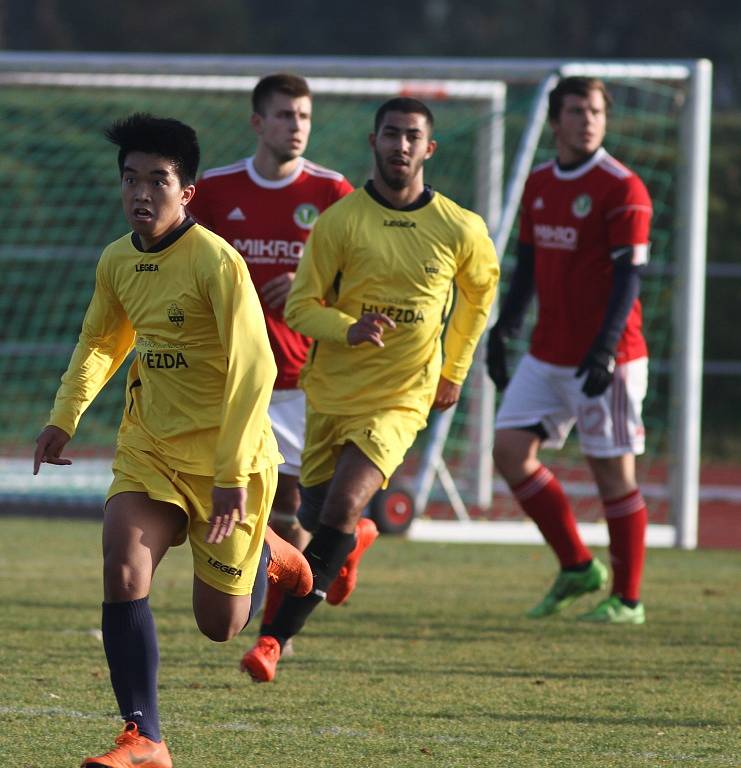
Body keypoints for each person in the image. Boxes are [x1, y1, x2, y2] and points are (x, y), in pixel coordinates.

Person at [33, 113, 312, 768]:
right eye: (131, 179)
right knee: (121, 566)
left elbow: (256, 371)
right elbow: (103, 341)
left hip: (227, 465)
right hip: (150, 452)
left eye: (158, 180)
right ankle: (144, 737)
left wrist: (230, 474)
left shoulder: (216, 264)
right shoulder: (117, 260)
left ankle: (273, 554)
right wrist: (64, 417)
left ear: (187, 191)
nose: (141, 194)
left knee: (221, 626)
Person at [241, 96, 500, 682]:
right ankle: (353, 543)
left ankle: (274, 642)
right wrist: (348, 328)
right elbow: (303, 306)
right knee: (311, 514)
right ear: (374, 142)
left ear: (428, 149)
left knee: (341, 502)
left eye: (412, 136)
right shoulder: (340, 222)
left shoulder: (460, 228)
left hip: (402, 395)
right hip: (330, 393)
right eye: (391, 134)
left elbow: (479, 297)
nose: (401, 146)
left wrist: (454, 370)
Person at [186, 73, 357, 656]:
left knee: (288, 513)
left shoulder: (334, 193)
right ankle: (329, 559)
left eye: (304, 117)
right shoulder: (213, 190)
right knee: (233, 501)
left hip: (301, 381)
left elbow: (364, 276)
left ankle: (271, 636)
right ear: (259, 123)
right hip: (229, 379)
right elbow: (186, 262)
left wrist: (315, 290)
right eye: (285, 116)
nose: (296, 127)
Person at [486, 76, 652, 625]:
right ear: (556, 122)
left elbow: (630, 276)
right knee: (509, 451)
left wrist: (605, 348)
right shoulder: (539, 183)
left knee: (613, 476)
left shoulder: (622, 187)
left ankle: (627, 600)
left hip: (609, 357)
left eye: (596, 111)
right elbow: (529, 265)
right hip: (547, 351)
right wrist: (505, 328)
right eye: (577, 111)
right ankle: (578, 566)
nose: (588, 120)